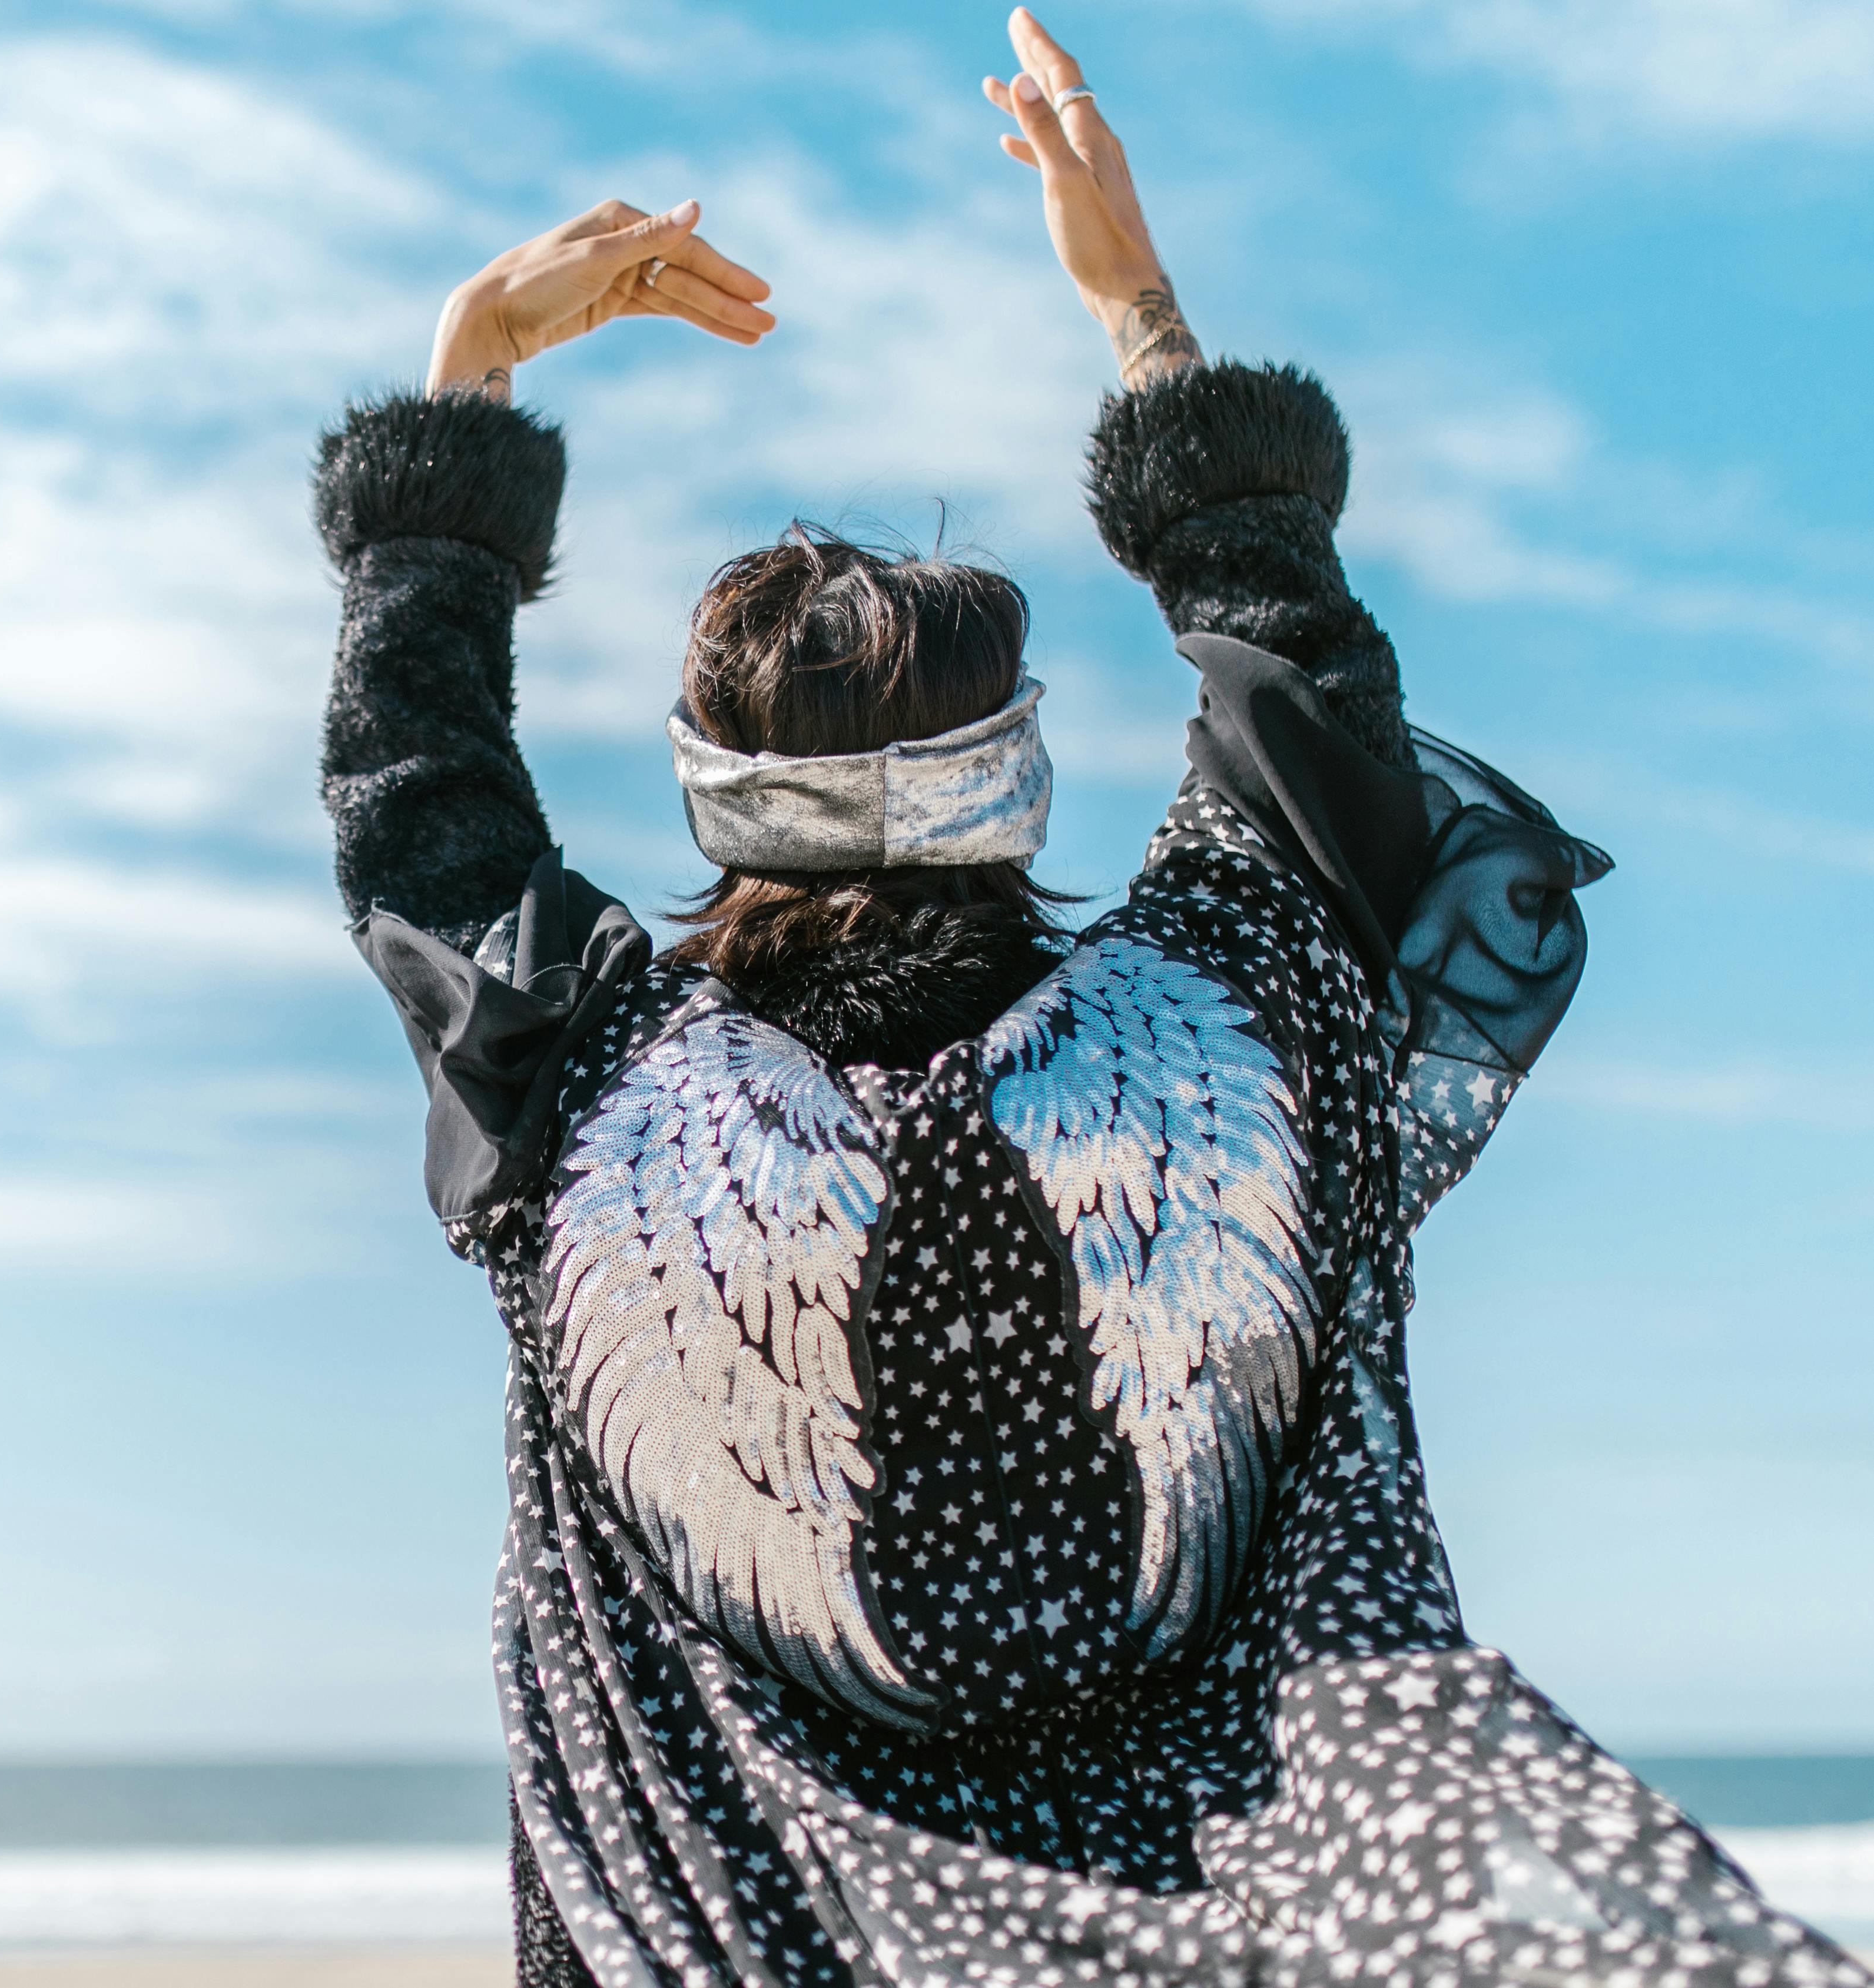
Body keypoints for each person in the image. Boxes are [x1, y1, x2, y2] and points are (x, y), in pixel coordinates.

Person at [311, 11, 1864, 1986]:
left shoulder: (579, 1087)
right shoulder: (1242, 1004)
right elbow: (1297, 688)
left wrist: (469, 376)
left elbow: (414, 796)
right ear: (1011, 775)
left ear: (719, 795)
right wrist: (1136, 303)